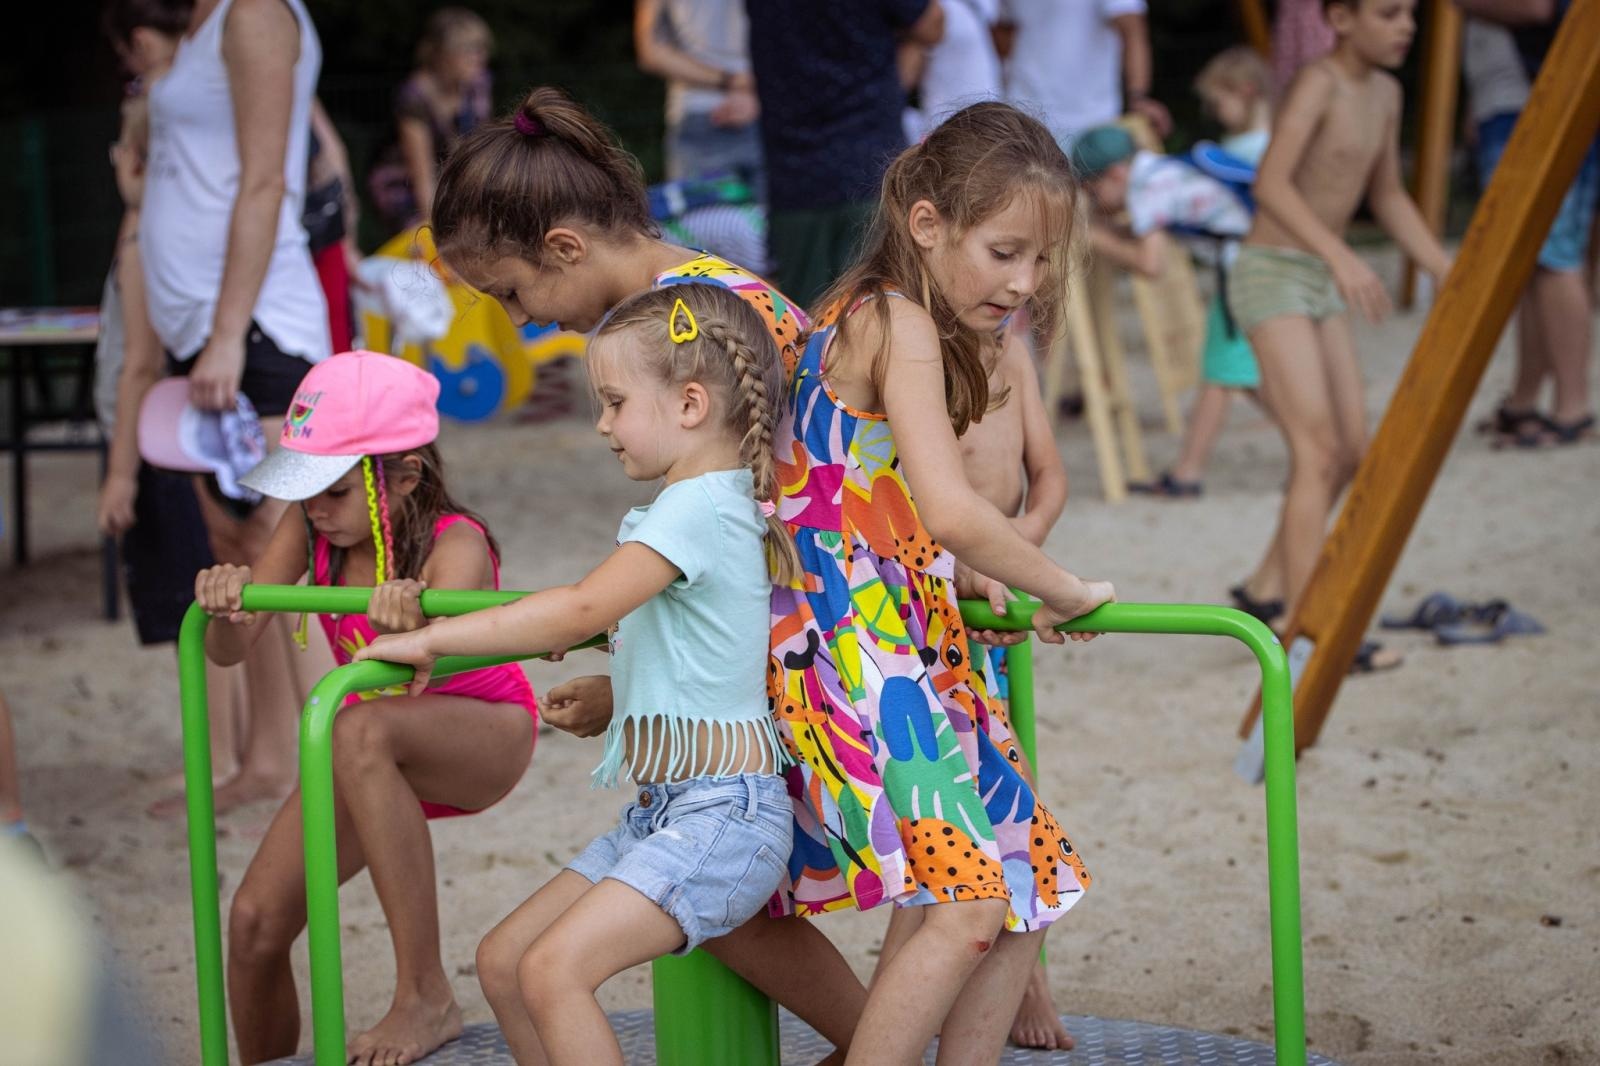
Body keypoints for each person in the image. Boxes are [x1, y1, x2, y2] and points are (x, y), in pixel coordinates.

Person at [428, 85, 864, 1062]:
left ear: (566, 249)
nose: (523, 318)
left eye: (510, 293)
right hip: (762, 645)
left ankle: (890, 1037)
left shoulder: (716, 315)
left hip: (817, 636)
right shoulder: (676, 315)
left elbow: (819, 492)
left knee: (778, 878)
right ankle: (876, 1040)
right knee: (736, 902)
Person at [358, 283, 795, 1065]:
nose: (601, 423)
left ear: (690, 404)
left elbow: (579, 607)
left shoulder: (694, 509)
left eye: (615, 401)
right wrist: (616, 690)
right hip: (671, 810)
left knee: (553, 970)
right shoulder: (699, 504)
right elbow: (677, 643)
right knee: (504, 962)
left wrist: (436, 640)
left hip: (722, 815)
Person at [769, 101, 1112, 1063]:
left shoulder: (869, 312)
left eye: (1041, 261)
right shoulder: (896, 321)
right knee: (970, 905)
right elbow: (955, 509)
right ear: (928, 225)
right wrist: (1068, 587)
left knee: (1030, 880)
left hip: (906, 640)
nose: (1027, 282)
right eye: (1005, 252)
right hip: (857, 650)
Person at [191, 352, 539, 1066]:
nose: (316, 506)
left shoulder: (456, 541)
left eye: (335, 489)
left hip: (481, 734)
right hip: (370, 749)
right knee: (255, 924)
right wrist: (228, 604)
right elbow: (229, 651)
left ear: (405, 476)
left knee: (355, 726)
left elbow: (427, 657)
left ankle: (426, 994)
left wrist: (411, 624)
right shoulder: (312, 528)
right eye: (305, 486)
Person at [1225, 0, 1451, 668]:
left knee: (1352, 450)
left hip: (1318, 276)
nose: (1406, 26)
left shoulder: (1386, 90)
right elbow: (1270, 184)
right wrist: (1341, 254)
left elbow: (1386, 195)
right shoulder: (1318, 82)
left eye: (1411, 13)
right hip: (1272, 274)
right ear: (1341, 19)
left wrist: (1446, 269)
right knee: (1316, 450)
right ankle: (1308, 629)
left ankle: (1264, 586)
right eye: (1388, 13)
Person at [875, 324, 1077, 1052]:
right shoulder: (912, 351)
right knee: (969, 825)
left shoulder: (1012, 347)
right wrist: (971, 560)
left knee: (1001, 820)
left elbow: (1047, 475)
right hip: (934, 605)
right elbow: (919, 496)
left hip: (995, 580)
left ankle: (1026, 980)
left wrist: (1018, 549)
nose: (1021, 282)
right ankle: (894, 1012)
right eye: (1002, 255)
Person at [743, 0, 946, 307]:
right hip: (871, 166)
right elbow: (932, 25)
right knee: (883, 320)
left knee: (803, 331)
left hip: (795, 175)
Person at [1457, 3, 1597, 446]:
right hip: (1516, 97)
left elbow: (1538, 7)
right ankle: (1526, 399)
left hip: (1541, 98)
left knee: (1555, 255)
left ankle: (1573, 407)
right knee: (1533, 260)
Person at [368, 7, 494, 237]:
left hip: (450, 179)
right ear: (443, 54)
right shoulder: (414, 97)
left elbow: (480, 151)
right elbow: (422, 176)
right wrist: (435, 231)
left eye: (481, 48)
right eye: (469, 50)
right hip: (406, 188)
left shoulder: (476, 85)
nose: (479, 58)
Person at [1002, 0, 1171, 148]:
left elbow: (1132, 30)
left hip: (1091, 121)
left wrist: (1138, 97)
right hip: (1023, 115)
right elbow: (1002, 30)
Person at [633, 0, 763, 188]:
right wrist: (755, 91)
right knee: (789, 216)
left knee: (703, 216)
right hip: (770, 111)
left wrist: (732, 81)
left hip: (698, 109)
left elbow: (651, 50)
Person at [902, 0, 1003, 144]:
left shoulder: (937, 15)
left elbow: (905, 77)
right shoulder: (974, 8)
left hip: (948, 132)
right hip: (986, 123)